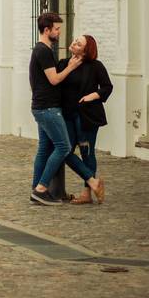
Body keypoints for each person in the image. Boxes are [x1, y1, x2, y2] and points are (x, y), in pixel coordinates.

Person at [29, 12, 83, 206]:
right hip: (48, 108)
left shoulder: (41, 50)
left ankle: (36, 191)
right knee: (63, 146)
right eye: (57, 29)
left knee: (44, 149)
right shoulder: (43, 51)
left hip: (41, 107)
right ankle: (42, 188)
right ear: (47, 30)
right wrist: (71, 66)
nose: (59, 32)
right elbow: (54, 79)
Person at [59, 34, 111, 205]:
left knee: (86, 152)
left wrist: (92, 96)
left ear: (86, 50)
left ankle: (86, 193)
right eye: (74, 40)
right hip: (67, 115)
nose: (73, 43)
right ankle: (93, 181)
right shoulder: (63, 64)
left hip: (87, 116)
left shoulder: (95, 66)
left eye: (78, 43)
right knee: (65, 151)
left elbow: (107, 87)